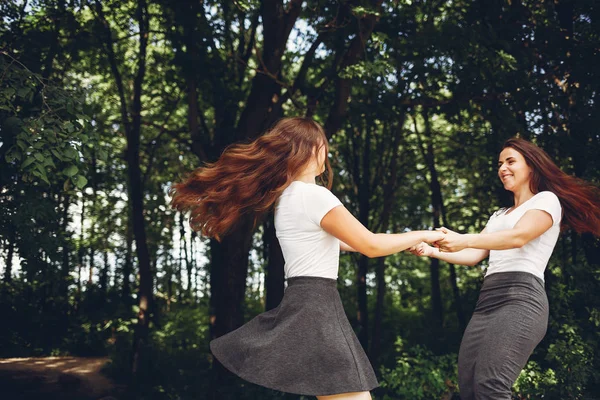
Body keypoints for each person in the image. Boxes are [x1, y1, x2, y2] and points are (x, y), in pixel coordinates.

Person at [170, 117, 445, 400]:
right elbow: (370, 245)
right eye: (324, 145)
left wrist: (407, 242)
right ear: (313, 148)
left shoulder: (288, 198)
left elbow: (339, 243)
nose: (328, 152)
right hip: (317, 303)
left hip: (304, 302)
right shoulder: (316, 196)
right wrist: (423, 233)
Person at [409, 137, 600, 400]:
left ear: (531, 166)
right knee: (469, 388)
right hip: (487, 301)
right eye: (500, 163)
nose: (502, 168)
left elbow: (518, 237)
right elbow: (474, 254)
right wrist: (431, 250)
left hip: (521, 298)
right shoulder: (500, 215)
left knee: (490, 385)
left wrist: (464, 237)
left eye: (511, 161)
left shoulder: (546, 201)